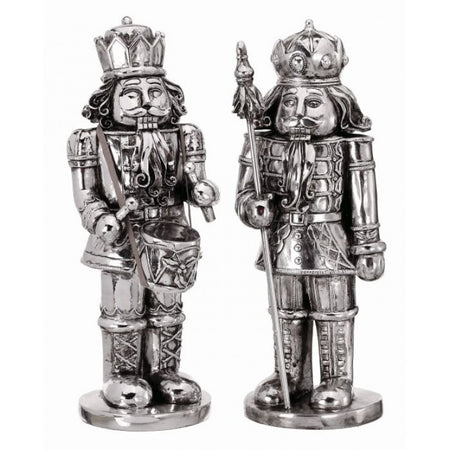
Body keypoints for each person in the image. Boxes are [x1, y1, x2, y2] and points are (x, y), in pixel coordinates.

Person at [68, 17, 219, 410]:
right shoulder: (89, 141)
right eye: (132, 95)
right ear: (109, 100)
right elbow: (86, 195)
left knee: (168, 308)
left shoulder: (184, 135)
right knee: (124, 310)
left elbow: (193, 181)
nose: (147, 101)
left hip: (170, 236)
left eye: (155, 92)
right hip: (120, 238)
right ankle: (122, 375)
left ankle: (165, 371)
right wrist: (100, 218)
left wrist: (202, 190)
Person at [235, 20, 385, 410]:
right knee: (287, 313)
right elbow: (245, 194)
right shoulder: (261, 144)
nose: (298, 112)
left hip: (331, 242)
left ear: (339, 106)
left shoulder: (350, 148)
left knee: (334, 312)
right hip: (283, 240)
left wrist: (369, 246)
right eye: (290, 103)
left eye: (313, 103)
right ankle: (290, 376)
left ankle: (337, 378)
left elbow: (363, 200)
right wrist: (253, 207)